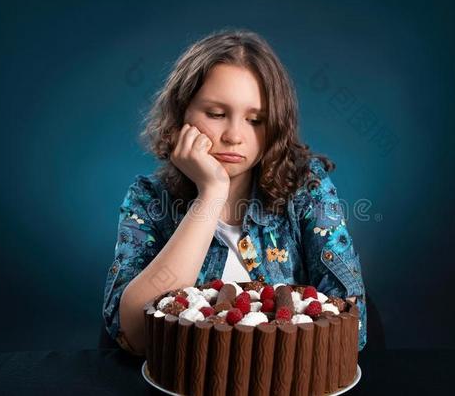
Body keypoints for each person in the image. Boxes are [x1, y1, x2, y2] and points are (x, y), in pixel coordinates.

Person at [102, 28, 367, 356]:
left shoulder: (306, 186)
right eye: (216, 114)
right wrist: (211, 193)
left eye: (256, 120)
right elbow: (137, 335)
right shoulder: (148, 199)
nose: (234, 135)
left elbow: (351, 325)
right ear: (182, 112)